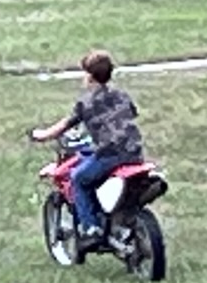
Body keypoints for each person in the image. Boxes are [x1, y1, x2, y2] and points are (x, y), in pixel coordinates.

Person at [32, 49, 143, 251]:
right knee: (91, 162)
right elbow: (131, 114)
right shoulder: (121, 95)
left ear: (90, 76)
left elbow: (64, 125)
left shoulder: (86, 102)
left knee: (79, 178)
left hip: (110, 155)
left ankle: (90, 228)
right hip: (134, 153)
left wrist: (41, 135)